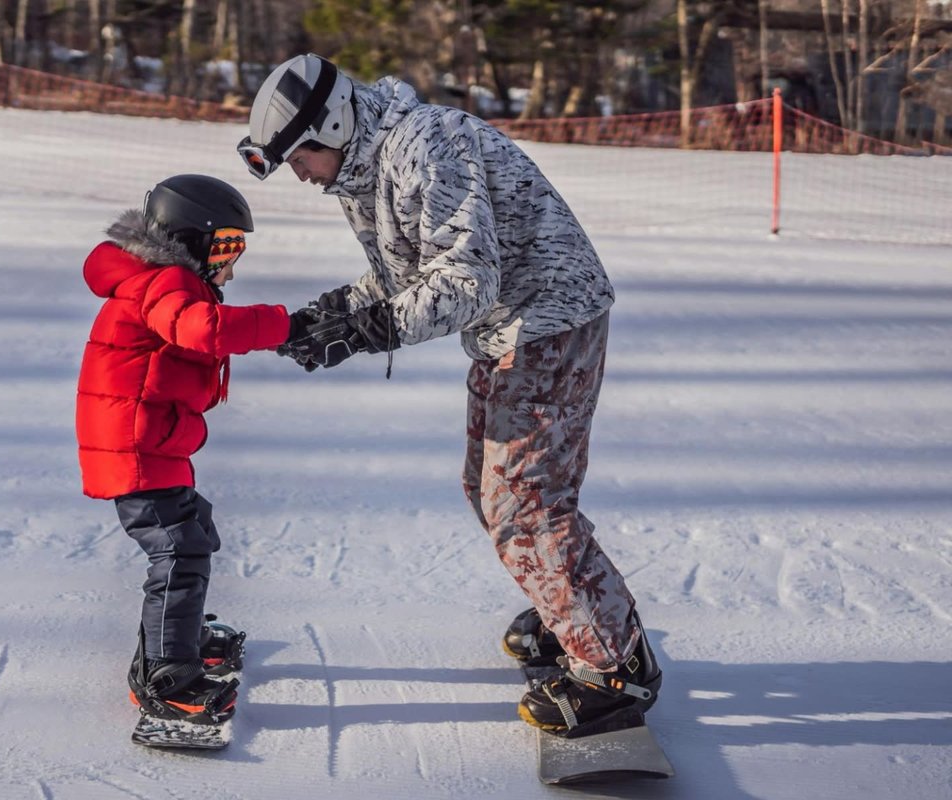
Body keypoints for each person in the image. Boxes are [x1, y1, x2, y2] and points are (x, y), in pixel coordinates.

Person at [239, 54, 662, 734]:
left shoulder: (426, 145)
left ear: (336, 124)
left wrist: (373, 331)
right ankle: (573, 611)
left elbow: (466, 280)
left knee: (524, 501)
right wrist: (327, 316)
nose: (301, 174)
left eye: (300, 157)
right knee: (487, 487)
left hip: (549, 317)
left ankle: (613, 668)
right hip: (509, 331)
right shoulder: (363, 170)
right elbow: (401, 274)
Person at [75, 174, 290, 728]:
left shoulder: (156, 278)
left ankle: (183, 637)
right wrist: (283, 325)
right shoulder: (163, 281)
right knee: (178, 550)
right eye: (225, 246)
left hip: (147, 440)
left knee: (194, 529)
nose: (231, 264)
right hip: (135, 446)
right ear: (190, 238)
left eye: (237, 248)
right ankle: (168, 675)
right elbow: (202, 329)